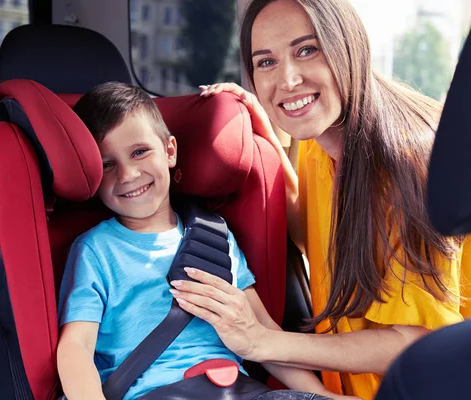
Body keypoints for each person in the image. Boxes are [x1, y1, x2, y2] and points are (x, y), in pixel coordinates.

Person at [169, 0, 471, 399]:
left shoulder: (405, 162)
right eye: (266, 62)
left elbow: (417, 343)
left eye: (306, 50)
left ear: (347, 46)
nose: (288, 80)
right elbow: (310, 223)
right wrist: (262, 126)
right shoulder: (319, 142)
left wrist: (261, 341)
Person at [56, 82, 352, 400]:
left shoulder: (215, 236)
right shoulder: (96, 251)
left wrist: (322, 395)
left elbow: (264, 334)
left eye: (139, 152)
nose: (128, 175)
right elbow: (76, 347)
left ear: (170, 151)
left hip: (242, 391)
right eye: (107, 165)